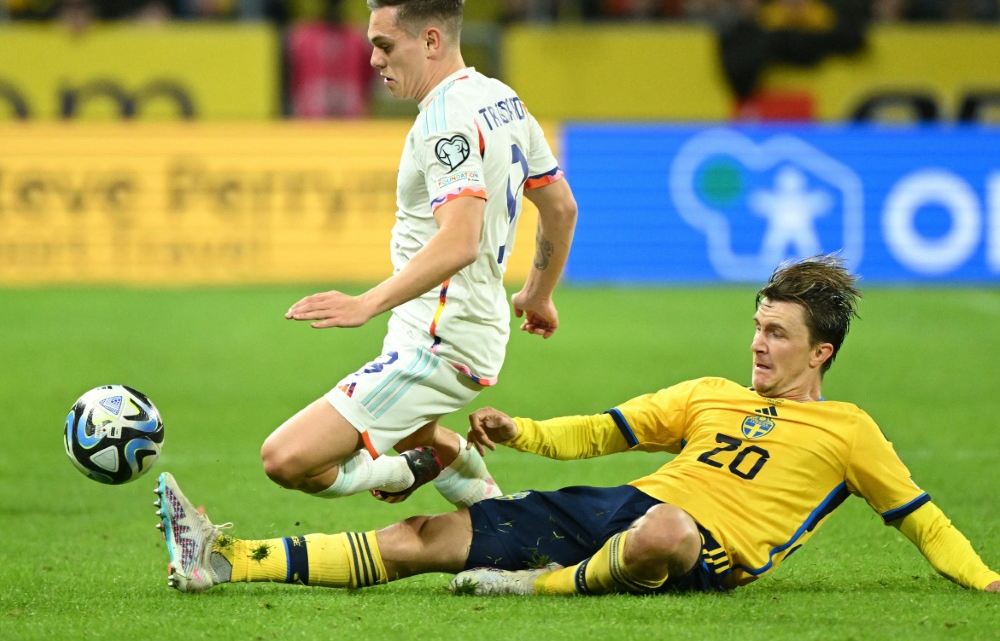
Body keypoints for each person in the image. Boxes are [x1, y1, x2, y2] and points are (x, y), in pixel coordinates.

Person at [154, 255, 1000, 596]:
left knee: (666, 528)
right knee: (429, 533)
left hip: (701, 548)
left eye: (776, 334)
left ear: (820, 353)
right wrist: (518, 428)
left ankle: (535, 584)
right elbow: (605, 430)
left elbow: (925, 522)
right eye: (756, 326)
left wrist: (988, 580)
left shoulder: (851, 431)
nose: (758, 344)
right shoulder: (713, 394)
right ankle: (226, 561)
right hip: (621, 505)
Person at [260, 0, 578, 510]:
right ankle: (499, 522)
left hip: (440, 341)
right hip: (442, 329)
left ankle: (405, 473)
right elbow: (561, 206)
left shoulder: (442, 122)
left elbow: (460, 242)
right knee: (418, 435)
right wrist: (538, 293)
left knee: (288, 459)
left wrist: (366, 303)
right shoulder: (501, 98)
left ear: (430, 41)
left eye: (384, 45)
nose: (373, 60)